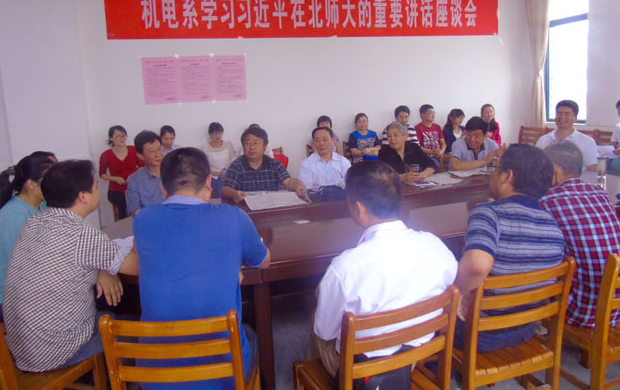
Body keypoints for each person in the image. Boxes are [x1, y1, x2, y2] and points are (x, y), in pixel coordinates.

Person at [134, 148, 269, 390]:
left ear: (163, 188)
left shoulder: (142, 219)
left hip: (156, 375)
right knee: (251, 333)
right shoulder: (234, 217)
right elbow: (263, 261)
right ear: (208, 182)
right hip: (224, 374)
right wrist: (232, 263)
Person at [311, 161, 457, 377]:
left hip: (363, 369)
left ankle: (318, 377)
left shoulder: (345, 268)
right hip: (417, 353)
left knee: (317, 316)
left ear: (359, 208)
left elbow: (325, 332)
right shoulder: (436, 246)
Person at [3, 160, 138, 372]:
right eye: (95, 186)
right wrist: (142, 231)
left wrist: (104, 268)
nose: (98, 190)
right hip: (56, 350)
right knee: (139, 331)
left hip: (24, 346)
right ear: (83, 197)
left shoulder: (34, 222)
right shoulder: (81, 234)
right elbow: (136, 267)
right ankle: (116, 379)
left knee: (111, 305)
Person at [453, 144, 564, 352]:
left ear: (507, 176)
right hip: (525, 329)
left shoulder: (488, 213)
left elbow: (477, 265)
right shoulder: (552, 224)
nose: (493, 174)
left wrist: (459, 297)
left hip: (480, 333)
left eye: (496, 168)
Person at [540, 141, 620, 327]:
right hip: (616, 307)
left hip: (582, 311)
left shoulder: (547, 201)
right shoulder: (600, 193)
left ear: (553, 171)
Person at [0, 153, 54, 321]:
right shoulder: (13, 217)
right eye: (49, 179)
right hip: (11, 296)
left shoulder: (42, 205)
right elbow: (23, 270)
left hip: (34, 283)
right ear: (31, 185)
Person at [222, 126, 306, 203]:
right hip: (245, 209)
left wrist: (298, 184)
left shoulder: (274, 164)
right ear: (243, 146)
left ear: (265, 147)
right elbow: (225, 189)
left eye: (256, 143)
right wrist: (234, 193)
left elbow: (288, 181)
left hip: (270, 206)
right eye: (247, 143)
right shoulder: (236, 165)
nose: (252, 147)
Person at [535, 99, 597, 171]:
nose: (562, 117)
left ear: (575, 118)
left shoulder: (587, 142)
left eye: (567, 114)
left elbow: (592, 168)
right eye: (559, 113)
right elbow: (536, 164)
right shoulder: (543, 140)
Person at [99, 125, 143, 219]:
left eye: (124, 136)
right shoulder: (106, 155)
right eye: (118, 136)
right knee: (124, 206)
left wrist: (133, 175)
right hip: (116, 190)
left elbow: (142, 166)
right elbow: (102, 174)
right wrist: (116, 179)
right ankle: (125, 225)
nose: (122, 138)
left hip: (135, 187)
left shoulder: (133, 149)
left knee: (141, 202)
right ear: (111, 138)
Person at [126, 130, 165, 216]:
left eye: (159, 149)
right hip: (150, 220)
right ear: (140, 156)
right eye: (152, 151)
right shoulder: (135, 180)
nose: (158, 155)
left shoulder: (175, 173)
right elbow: (133, 209)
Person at [201, 122, 236, 196]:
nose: (218, 136)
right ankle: (221, 199)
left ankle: (220, 199)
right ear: (210, 134)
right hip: (213, 176)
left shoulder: (228, 144)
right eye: (215, 133)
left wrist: (227, 171)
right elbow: (204, 167)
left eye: (220, 133)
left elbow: (234, 160)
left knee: (224, 176)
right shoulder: (205, 148)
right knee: (221, 178)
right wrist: (218, 173)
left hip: (228, 173)